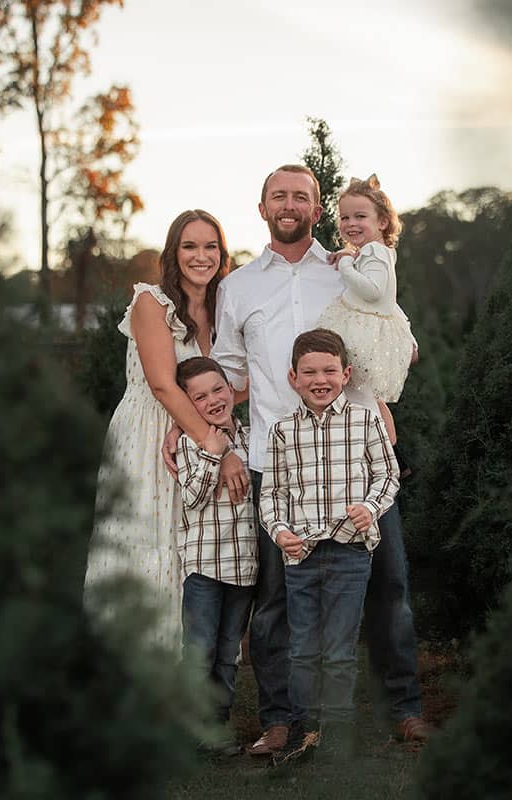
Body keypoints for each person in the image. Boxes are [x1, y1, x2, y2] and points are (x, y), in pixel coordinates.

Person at [204, 164, 432, 753]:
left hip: (357, 461)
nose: (289, 205)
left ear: (316, 208)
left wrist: (379, 391)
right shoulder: (239, 287)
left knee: (389, 586)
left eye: (301, 197)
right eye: (278, 196)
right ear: (261, 208)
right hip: (277, 462)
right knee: (278, 599)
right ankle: (282, 719)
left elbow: (397, 336)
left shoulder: (347, 270)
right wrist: (198, 432)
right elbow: (229, 377)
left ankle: (403, 709)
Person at [84, 210, 248, 652]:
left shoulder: (223, 312)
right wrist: (214, 443)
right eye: (190, 246)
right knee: (148, 542)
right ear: (173, 254)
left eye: (210, 246)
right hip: (147, 436)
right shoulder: (151, 303)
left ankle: (188, 674)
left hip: (192, 435)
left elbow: (236, 385)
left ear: (222, 253)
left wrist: (201, 430)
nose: (201, 256)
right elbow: (161, 382)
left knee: (193, 549)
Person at [261, 329, 399, 764]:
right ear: (293, 377)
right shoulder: (282, 431)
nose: (320, 380)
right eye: (309, 372)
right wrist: (279, 530)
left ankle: (337, 731)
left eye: (329, 371)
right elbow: (273, 494)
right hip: (300, 554)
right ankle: (306, 729)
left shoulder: (365, 420)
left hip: (350, 551)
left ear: (346, 373)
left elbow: (388, 475)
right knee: (302, 646)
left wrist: (371, 507)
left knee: (339, 649)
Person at [173, 356, 258, 755]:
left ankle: (217, 727)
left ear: (231, 389)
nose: (213, 400)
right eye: (200, 396)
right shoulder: (191, 442)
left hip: (243, 568)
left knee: (228, 655)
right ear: (188, 404)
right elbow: (191, 496)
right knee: (201, 650)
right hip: (206, 566)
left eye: (218, 389)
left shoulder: (249, 436)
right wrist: (214, 452)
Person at [314, 174, 413, 444]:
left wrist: (345, 263)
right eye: (345, 218)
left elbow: (373, 291)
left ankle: (385, 450)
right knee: (368, 397)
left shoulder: (375, 252)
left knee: (361, 395)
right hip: (367, 328)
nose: (351, 223)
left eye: (360, 217)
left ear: (382, 221)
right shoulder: (374, 251)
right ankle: (389, 450)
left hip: (364, 334)